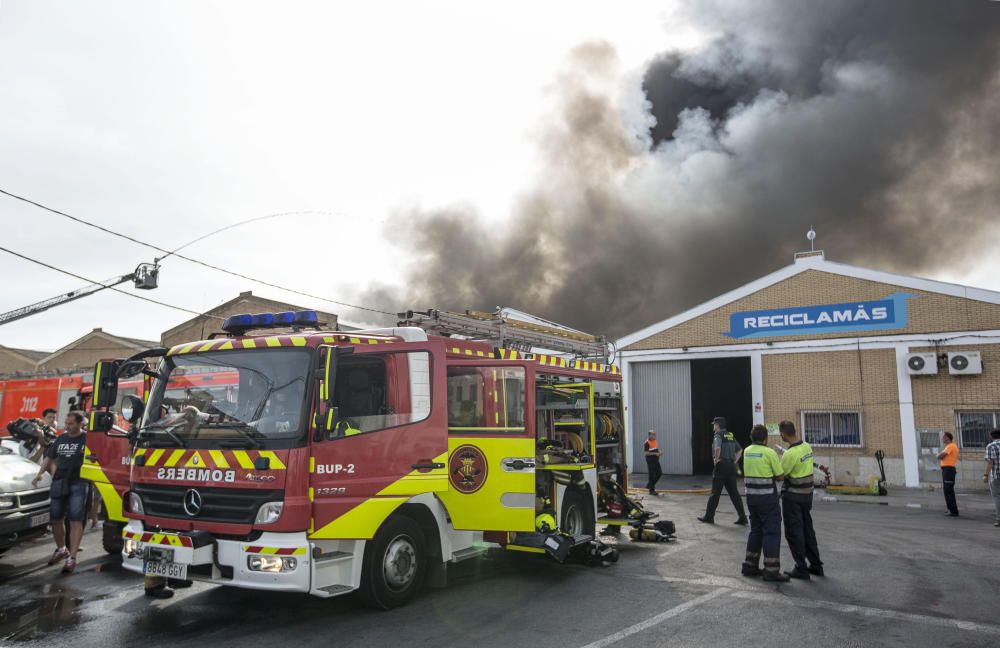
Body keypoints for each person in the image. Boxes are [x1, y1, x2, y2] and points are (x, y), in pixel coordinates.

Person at [31, 411, 88, 573]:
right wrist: (40, 473)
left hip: (79, 482)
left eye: (70, 424)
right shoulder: (61, 438)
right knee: (56, 519)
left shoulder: (87, 438)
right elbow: (49, 457)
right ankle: (62, 549)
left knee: (75, 520)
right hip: (59, 481)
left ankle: (72, 557)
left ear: (80, 424)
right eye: (66, 423)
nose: (67, 426)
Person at [740, 424, 790, 582]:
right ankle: (771, 570)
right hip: (767, 499)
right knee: (771, 532)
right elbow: (780, 476)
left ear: (752, 437)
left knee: (755, 531)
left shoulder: (747, 451)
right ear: (765, 438)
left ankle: (750, 565)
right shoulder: (769, 453)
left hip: (751, 499)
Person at [778, 420, 823, 579]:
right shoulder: (806, 446)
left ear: (783, 434)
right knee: (807, 529)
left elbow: (781, 475)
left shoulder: (789, 454)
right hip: (807, 495)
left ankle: (801, 567)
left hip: (793, 497)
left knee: (794, 532)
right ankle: (816, 564)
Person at [698, 416, 748, 525]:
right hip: (730, 467)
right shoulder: (730, 435)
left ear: (718, 425)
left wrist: (716, 460)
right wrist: (734, 461)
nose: (713, 426)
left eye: (714, 425)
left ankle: (709, 517)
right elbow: (740, 450)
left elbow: (717, 448)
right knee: (734, 493)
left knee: (715, 493)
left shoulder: (718, 435)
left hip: (721, 466)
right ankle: (743, 517)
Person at [937, 432, 960, 517]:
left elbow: (941, 456)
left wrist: (938, 455)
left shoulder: (951, 446)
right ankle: (951, 509)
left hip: (949, 470)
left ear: (947, 438)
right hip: (947, 470)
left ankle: (953, 511)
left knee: (948, 490)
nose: (942, 439)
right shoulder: (948, 446)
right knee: (947, 491)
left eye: (943, 437)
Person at [983, 429, 1000, 527]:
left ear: (991, 436)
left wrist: (985, 475)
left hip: (997, 476)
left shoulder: (991, 446)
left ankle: (999, 519)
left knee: (997, 497)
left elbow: (990, 462)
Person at [644, 430, 663, 495]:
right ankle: (651, 490)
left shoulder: (655, 441)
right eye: (652, 434)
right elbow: (646, 453)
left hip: (656, 460)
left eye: (654, 434)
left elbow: (656, 449)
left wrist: (659, 452)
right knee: (651, 475)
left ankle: (650, 485)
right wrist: (655, 453)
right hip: (650, 460)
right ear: (649, 435)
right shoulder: (647, 442)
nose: (653, 436)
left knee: (659, 473)